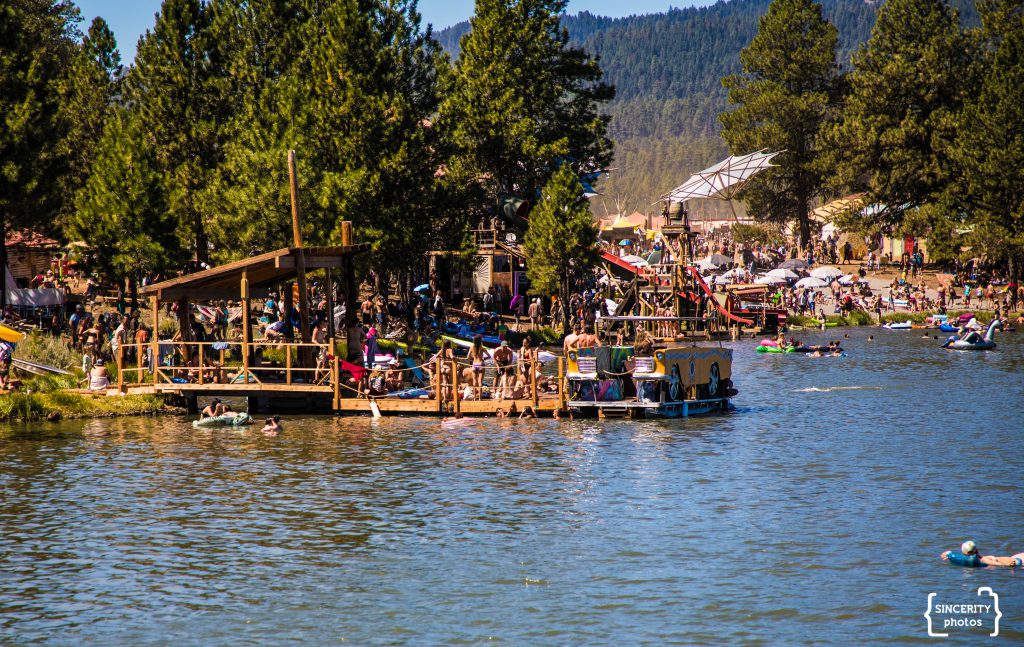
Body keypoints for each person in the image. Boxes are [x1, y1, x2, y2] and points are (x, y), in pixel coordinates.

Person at [941, 540, 1024, 567]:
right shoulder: (982, 559)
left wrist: (949, 554)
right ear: (977, 550)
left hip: (1016, 560)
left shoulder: (979, 559)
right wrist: (1004, 564)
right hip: (1017, 561)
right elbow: (992, 563)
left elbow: (949, 553)